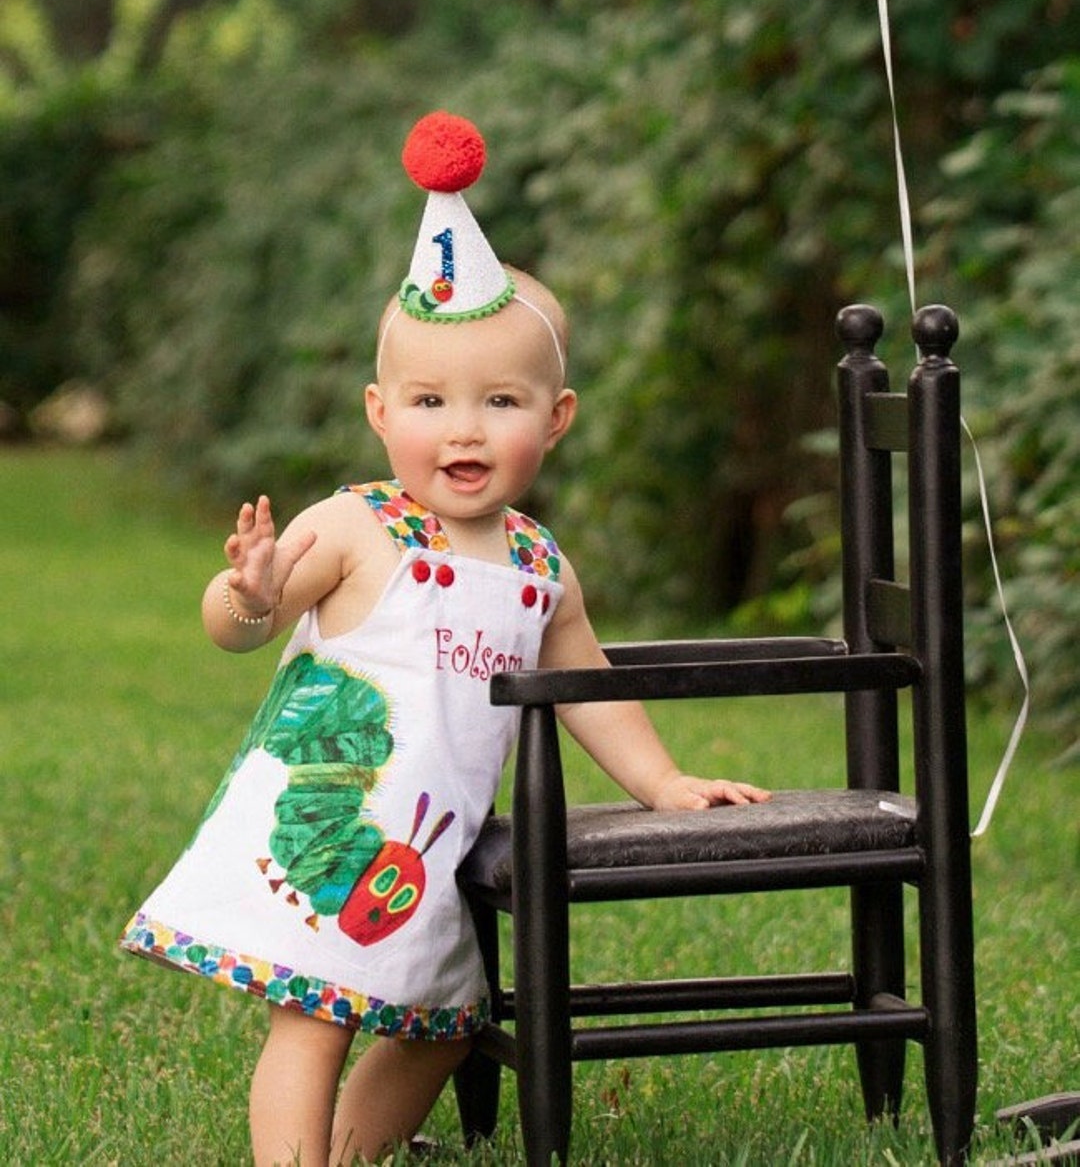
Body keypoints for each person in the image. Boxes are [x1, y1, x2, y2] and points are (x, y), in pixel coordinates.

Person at [121, 113, 769, 1166]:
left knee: (442, 1027)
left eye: (498, 401)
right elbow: (239, 632)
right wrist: (247, 592)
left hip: (426, 854)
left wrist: (660, 782)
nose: (462, 428)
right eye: (430, 400)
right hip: (324, 829)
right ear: (381, 411)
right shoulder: (354, 525)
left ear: (554, 419)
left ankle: (350, 1154)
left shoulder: (536, 564)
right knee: (318, 1016)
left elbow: (585, 683)